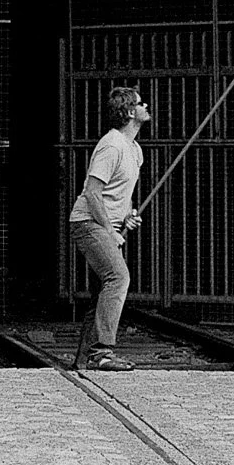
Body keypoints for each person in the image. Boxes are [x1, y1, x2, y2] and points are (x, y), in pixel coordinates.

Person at [69, 83, 149, 372]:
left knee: (103, 290)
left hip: (106, 224)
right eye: (140, 103)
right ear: (129, 112)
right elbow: (92, 193)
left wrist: (127, 215)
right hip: (88, 223)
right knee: (118, 277)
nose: (145, 106)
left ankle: (84, 360)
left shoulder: (135, 149)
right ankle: (102, 352)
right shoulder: (111, 145)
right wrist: (111, 230)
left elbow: (119, 193)